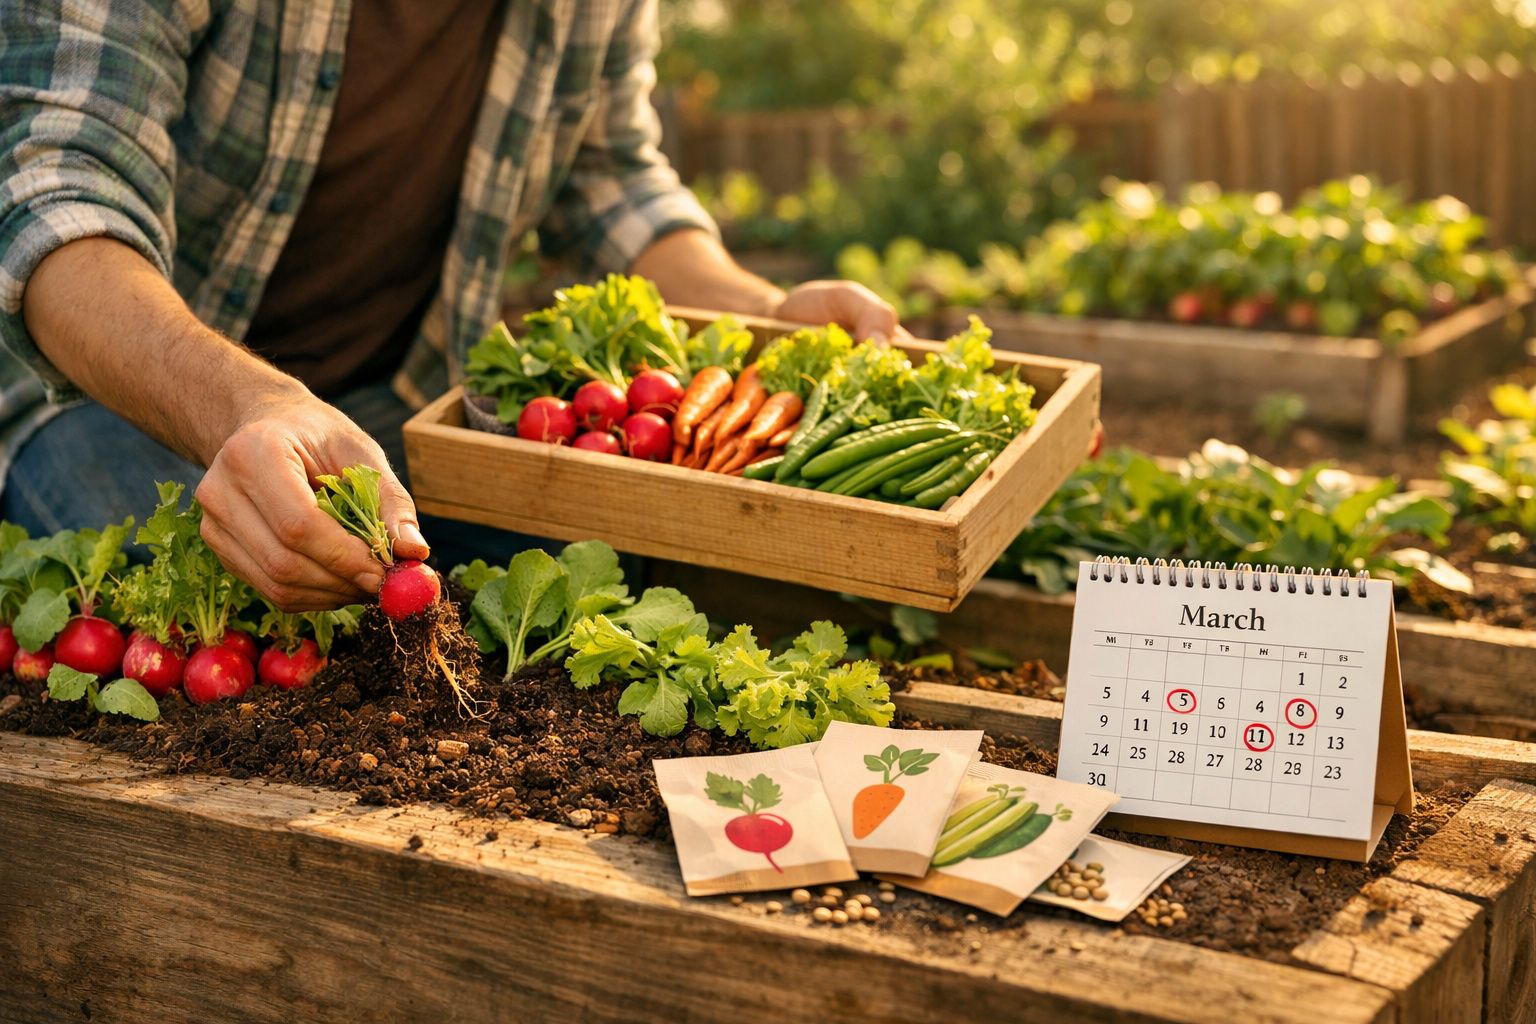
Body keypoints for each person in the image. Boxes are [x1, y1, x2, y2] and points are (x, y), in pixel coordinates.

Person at [0, 1, 900, 613]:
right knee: (230, 608)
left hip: (399, 393)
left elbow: (609, 178)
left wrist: (768, 308)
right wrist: (248, 405)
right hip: (106, 389)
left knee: (591, 586)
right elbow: (56, 198)